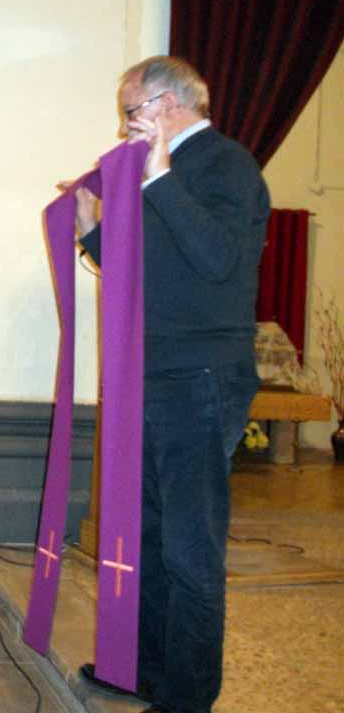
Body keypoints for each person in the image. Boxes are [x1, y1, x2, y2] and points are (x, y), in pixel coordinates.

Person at [72, 57, 269, 713]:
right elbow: (148, 268)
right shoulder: (162, 172)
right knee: (149, 535)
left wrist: (157, 176)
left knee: (190, 548)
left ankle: (186, 698)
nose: (124, 125)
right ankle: (145, 670)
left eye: (131, 111)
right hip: (151, 373)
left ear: (167, 104)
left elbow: (217, 259)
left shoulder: (226, 165)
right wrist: (91, 230)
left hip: (200, 377)